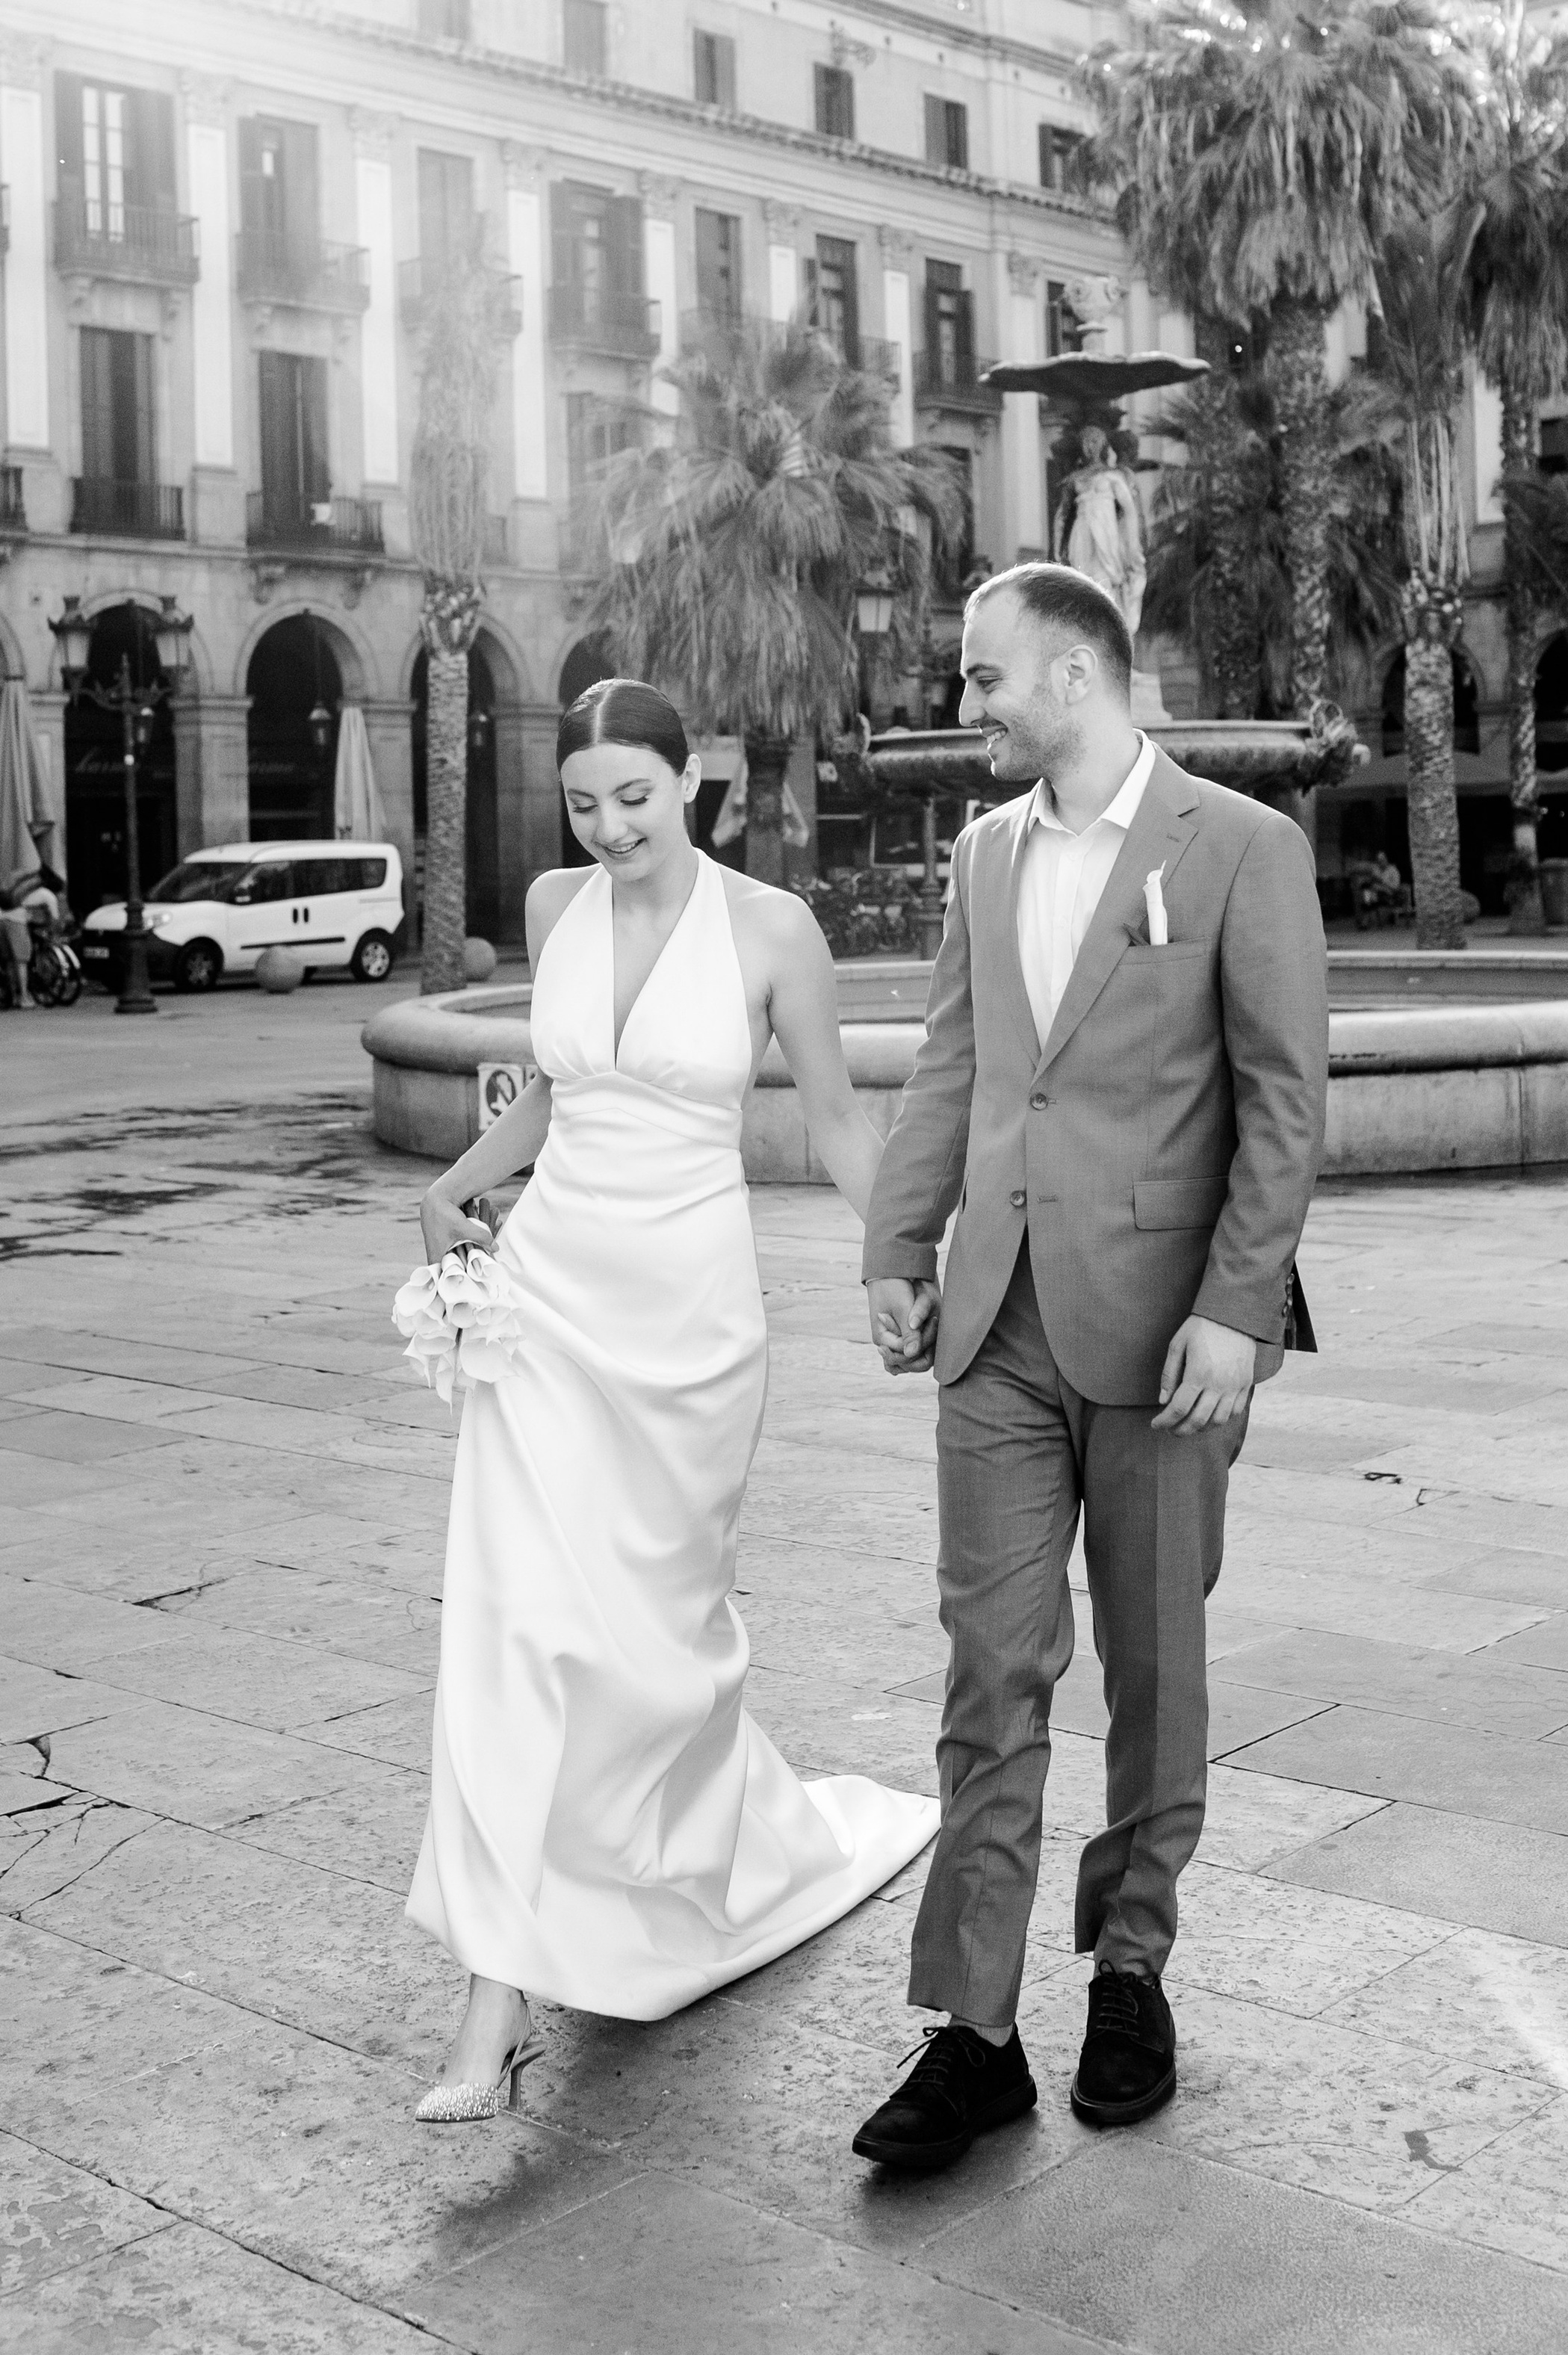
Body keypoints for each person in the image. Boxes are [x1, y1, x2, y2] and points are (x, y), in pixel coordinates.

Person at [406, 677, 937, 2122]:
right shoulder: (552, 906)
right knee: (517, 1628)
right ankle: (491, 1998)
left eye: (633, 796)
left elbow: (832, 1116)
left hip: (691, 1325)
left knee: (651, 1637)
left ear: (689, 776)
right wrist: (456, 1185)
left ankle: (673, 1872)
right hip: (550, 1301)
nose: (608, 826)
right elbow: (553, 1091)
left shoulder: (772, 929)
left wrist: (904, 1261)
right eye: (583, 802)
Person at [851, 563, 1327, 2171]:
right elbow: (955, 1063)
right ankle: (971, 2032)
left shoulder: (1241, 845)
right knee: (988, 1671)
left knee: (1149, 1668)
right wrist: (894, 1247)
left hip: (1162, 1336)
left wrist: (1233, 1307)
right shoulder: (982, 852)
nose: (965, 704)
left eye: (984, 678)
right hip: (990, 1326)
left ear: (1070, 674)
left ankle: (1128, 1971)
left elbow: (1279, 1102)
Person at [0, 867, 61, 1011]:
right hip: (16, 921)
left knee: (9, 960)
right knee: (22, 960)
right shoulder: (48, 895)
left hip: (1, 918)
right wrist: (53, 933)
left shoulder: (25, 888)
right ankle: (24, 998)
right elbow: (55, 918)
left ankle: (13, 996)